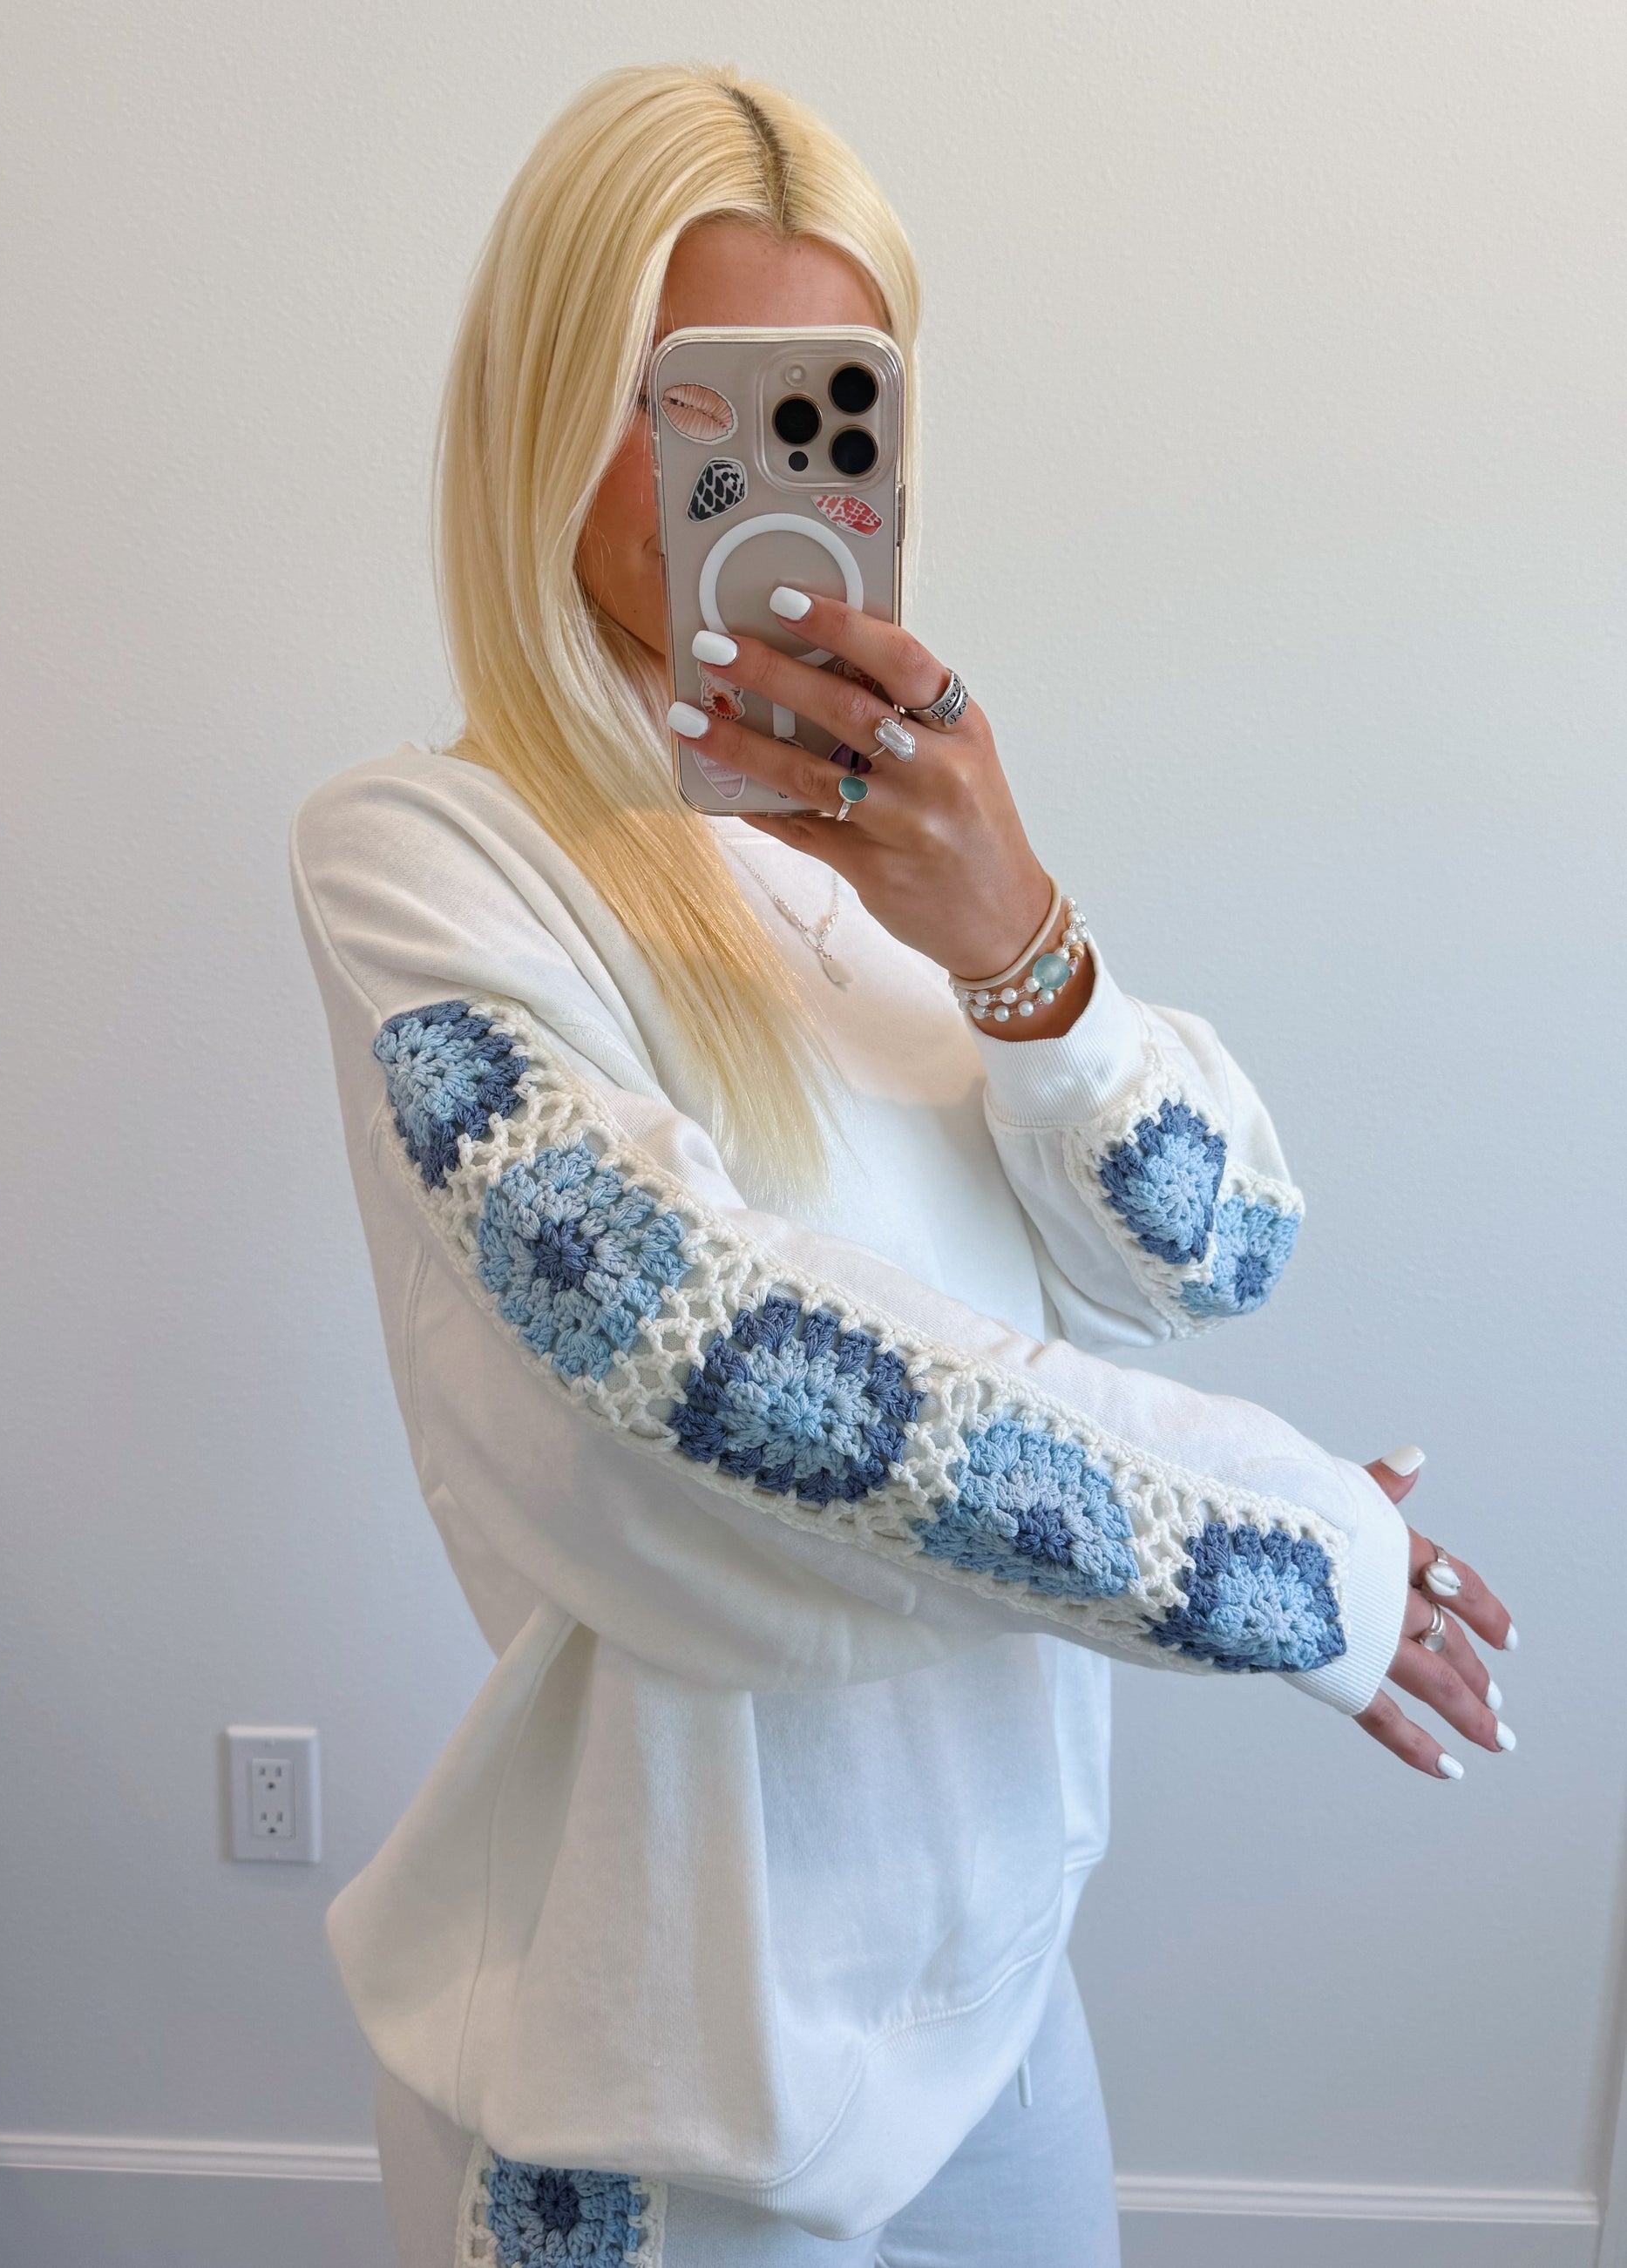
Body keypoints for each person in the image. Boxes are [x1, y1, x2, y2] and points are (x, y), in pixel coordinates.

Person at [288, 62, 1515, 2268]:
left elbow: (1215, 1249)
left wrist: (1023, 942)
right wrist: (1283, 1553)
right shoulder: (426, 857)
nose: (746, 478)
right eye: (680, 401)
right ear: (545, 408)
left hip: (1003, 2011)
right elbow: (705, 1359)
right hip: (655, 2083)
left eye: (820, 407)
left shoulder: (897, 868)